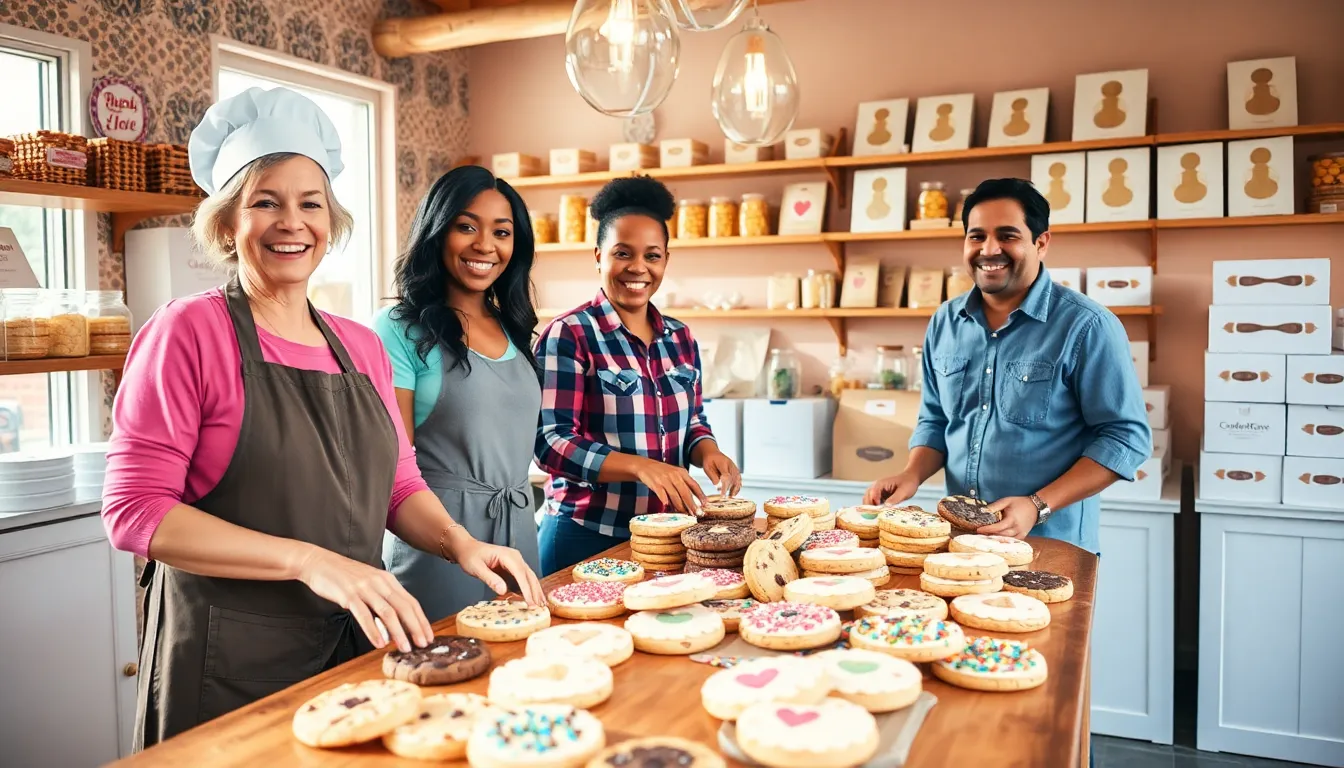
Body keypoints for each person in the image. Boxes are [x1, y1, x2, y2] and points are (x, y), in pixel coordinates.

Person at [101, 87, 542, 750]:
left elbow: (397, 486)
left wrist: (462, 544)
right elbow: (133, 511)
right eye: (266, 202)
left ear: (330, 222)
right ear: (227, 223)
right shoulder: (188, 332)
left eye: (311, 204)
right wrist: (310, 562)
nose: (292, 223)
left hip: (352, 647)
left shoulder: (357, 346)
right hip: (229, 662)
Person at [863, 177, 1151, 554]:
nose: (989, 249)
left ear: (1041, 243)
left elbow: (1126, 438)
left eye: (1008, 236)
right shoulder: (945, 322)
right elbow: (936, 420)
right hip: (960, 546)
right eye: (977, 236)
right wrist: (911, 474)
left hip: (1050, 548)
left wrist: (1038, 505)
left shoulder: (1087, 326)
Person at [534, 175, 742, 575]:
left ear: (666, 259)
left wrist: (708, 451)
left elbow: (693, 421)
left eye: (652, 256)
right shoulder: (570, 334)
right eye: (622, 253)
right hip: (584, 532)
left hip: (666, 533)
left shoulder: (681, 337)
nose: (638, 268)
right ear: (598, 256)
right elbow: (550, 442)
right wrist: (639, 466)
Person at [373, 165, 542, 622]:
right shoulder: (399, 330)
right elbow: (391, 465)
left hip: (521, 539)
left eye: (501, 232)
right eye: (466, 226)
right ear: (436, 232)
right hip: (440, 546)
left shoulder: (515, 328)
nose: (485, 245)